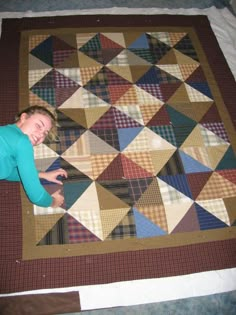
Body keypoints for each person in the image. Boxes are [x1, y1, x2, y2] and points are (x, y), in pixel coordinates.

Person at [0, 105, 67, 208]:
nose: (41, 134)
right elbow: (36, 195)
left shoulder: (6, 133)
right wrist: (53, 202)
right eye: (39, 126)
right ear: (24, 118)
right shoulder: (22, 141)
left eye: (45, 133)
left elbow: (6, 171)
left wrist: (41, 175)